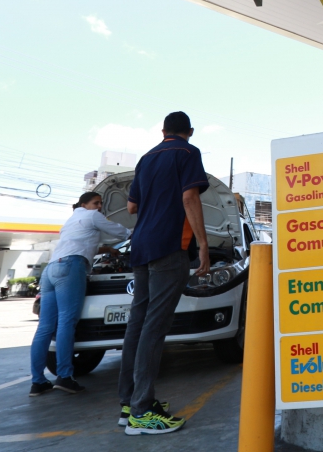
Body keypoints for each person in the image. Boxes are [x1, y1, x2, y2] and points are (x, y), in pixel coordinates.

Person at [118, 111, 210, 436]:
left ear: (163, 131)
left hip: (140, 245)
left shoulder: (146, 158)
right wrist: (202, 244)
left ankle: (129, 403)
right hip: (168, 246)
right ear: (190, 131)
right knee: (154, 328)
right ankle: (142, 413)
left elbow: (132, 207)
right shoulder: (188, 152)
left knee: (139, 323)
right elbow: (189, 196)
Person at [29, 191, 129, 397]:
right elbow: (121, 232)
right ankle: (65, 377)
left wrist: (107, 250)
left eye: (101, 203)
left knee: (45, 327)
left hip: (51, 270)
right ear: (84, 203)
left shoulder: (72, 220)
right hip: (71, 268)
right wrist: (142, 232)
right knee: (67, 321)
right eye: (96, 202)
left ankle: (37, 381)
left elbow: (81, 244)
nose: (99, 206)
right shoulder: (91, 215)